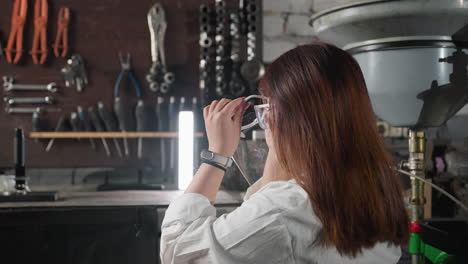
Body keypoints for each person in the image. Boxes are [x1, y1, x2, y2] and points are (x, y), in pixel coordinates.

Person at [160, 41, 409, 264]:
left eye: (268, 109)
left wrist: (217, 154)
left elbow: (177, 252)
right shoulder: (380, 191)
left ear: (290, 120)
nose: (264, 119)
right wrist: (278, 145)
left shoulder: (282, 211)